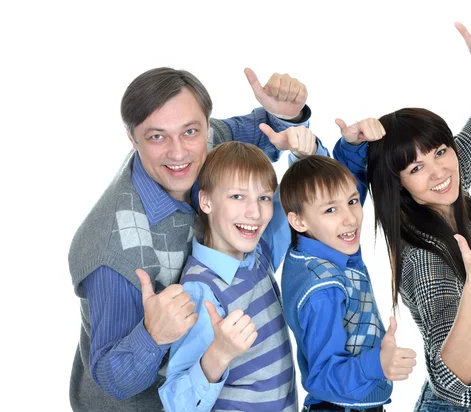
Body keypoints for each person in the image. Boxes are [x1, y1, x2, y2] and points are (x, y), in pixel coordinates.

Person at [68, 66, 320, 412]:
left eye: (190, 131)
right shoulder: (112, 249)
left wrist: (286, 117)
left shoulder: (207, 142)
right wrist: (152, 334)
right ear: (132, 138)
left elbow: (263, 140)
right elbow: (114, 381)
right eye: (157, 137)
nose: (179, 153)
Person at [334, 23, 471, 411]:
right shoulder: (422, 257)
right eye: (415, 168)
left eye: (439, 151)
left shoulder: (451, 184)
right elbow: (451, 377)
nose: (437, 171)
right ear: (399, 185)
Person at [159, 130, 327, 412]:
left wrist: (304, 152)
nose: (255, 213)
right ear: (206, 202)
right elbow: (177, 404)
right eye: (237, 196)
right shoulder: (202, 289)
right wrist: (219, 354)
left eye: (263, 198)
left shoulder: (259, 251)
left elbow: (307, 198)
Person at [279, 154, 418, 412]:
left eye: (353, 202)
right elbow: (321, 377)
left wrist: (352, 148)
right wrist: (377, 364)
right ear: (298, 221)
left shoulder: (315, 246)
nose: (351, 218)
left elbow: (348, 188)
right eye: (331, 209)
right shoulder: (324, 291)